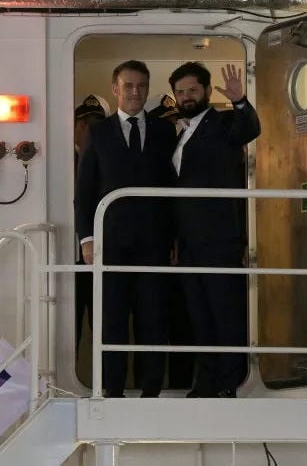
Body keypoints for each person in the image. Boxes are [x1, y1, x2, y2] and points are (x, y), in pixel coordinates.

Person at [75, 60, 176, 398]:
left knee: (154, 317)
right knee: (113, 319)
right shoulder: (98, 132)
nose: (135, 92)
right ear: (115, 89)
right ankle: (112, 391)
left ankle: (151, 391)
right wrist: (86, 238)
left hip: (154, 242)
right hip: (111, 243)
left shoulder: (165, 131)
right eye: (129, 86)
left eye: (141, 86)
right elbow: (85, 189)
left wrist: (174, 238)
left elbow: (172, 188)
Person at [169, 62, 261, 398]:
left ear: (206, 92)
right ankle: (206, 381)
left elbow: (249, 129)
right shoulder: (180, 131)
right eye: (180, 91)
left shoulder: (222, 123)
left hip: (218, 236)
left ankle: (229, 381)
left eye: (193, 90)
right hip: (188, 240)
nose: (187, 96)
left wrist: (239, 102)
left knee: (225, 311)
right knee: (199, 314)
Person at [145, 93, 194, 390]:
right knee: (152, 323)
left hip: (185, 248)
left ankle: (181, 383)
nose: (173, 127)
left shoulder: (188, 154)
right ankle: (149, 385)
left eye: (176, 121)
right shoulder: (149, 160)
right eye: (167, 123)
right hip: (154, 250)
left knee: (184, 324)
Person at [73, 94, 109, 355]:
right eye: (84, 123)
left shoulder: (107, 161)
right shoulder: (59, 160)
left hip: (100, 256)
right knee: (67, 325)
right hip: (68, 258)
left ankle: (107, 386)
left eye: (95, 124)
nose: (88, 129)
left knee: (104, 326)